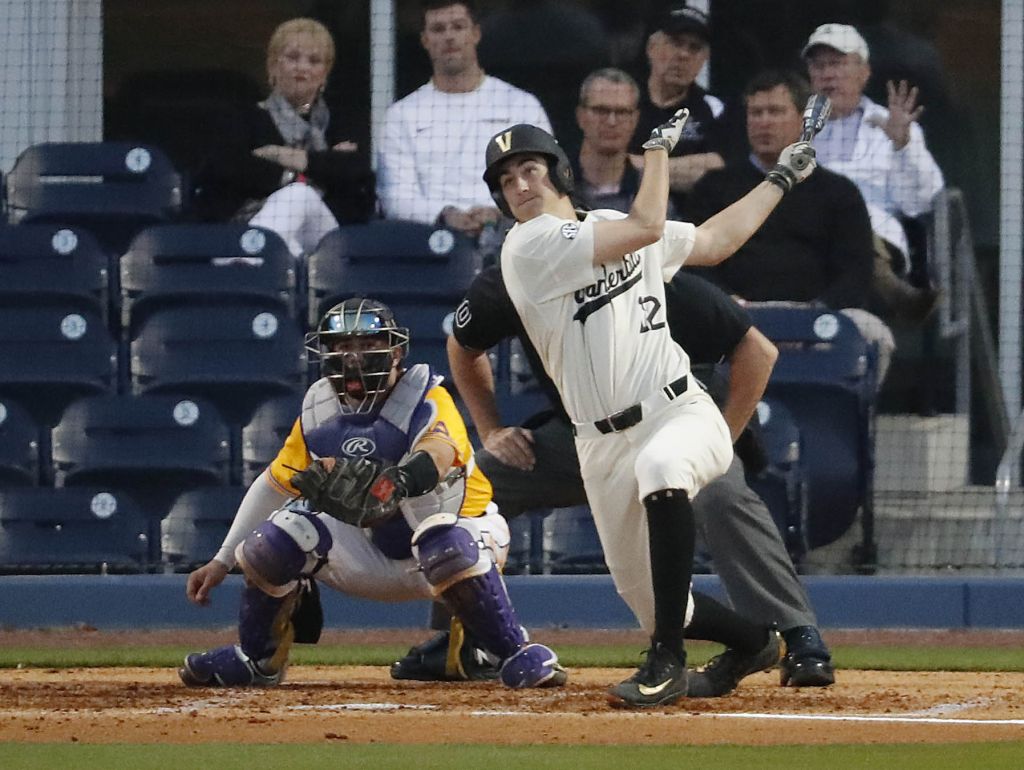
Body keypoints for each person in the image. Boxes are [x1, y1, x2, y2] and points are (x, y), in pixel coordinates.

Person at [476, 109, 817, 707]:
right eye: (507, 181)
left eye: (530, 169)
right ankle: (755, 642)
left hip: (678, 410)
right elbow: (645, 224)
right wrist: (658, 154)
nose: (521, 186)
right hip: (598, 442)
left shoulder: (612, 223)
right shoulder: (526, 247)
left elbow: (714, 242)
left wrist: (781, 179)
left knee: (663, 468)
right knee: (656, 601)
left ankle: (666, 662)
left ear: (557, 173)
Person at [391, 264, 836, 691]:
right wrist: (490, 430)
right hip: (584, 436)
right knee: (475, 482)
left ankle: (795, 635)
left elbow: (758, 351)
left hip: (674, 420)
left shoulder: (644, 270)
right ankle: (465, 641)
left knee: (720, 497)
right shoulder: (516, 277)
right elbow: (463, 345)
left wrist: (718, 439)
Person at [178, 298, 567, 691]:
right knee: (272, 540)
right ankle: (258, 659)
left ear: (396, 351)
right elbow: (274, 484)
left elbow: (439, 452)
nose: (353, 357)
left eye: (366, 344)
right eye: (343, 346)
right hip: (366, 549)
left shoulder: (426, 395)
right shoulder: (319, 408)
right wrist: (222, 560)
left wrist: (393, 483)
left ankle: (511, 651)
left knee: (443, 540)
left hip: (459, 539)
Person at [686, 69, 896, 385]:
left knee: (874, 335)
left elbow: (856, 271)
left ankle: (848, 428)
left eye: (776, 111)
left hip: (816, 314)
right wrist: (726, 301)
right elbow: (692, 260)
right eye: (756, 113)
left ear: (801, 120)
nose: (764, 122)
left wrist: (815, 312)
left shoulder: (839, 192)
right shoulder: (713, 187)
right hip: (733, 312)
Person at [190, 18, 375, 258]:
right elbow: (228, 169)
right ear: (273, 66)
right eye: (293, 57)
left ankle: (245, 264)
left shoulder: (343, 122)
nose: (302, 67)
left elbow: (357, 175)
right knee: (291, 248)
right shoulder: (245, 117)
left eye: (314, 61)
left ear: (324, 75)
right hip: (256, 225)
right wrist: (321, 165)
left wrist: (284, 155)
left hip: (327, 235)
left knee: (298, 195)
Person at [801, 23, 943, 319]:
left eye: (838, 64)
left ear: (864, 73)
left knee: (855, 234)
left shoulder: (895, 126)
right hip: (804, 234)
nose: (828, 74)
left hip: (874, 236)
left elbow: (920, 202)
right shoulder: (794, 126)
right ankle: (895, 294)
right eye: (819, 65)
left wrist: (903, 146)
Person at [376, 1, 551, 240]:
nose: (449, 36)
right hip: (429, 246)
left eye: (458, 27)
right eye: (438, 29)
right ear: (425, 40)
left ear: (475, 33)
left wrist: (501, 211)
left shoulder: (521, 105)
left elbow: (545, 178)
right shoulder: (402, 115)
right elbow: (395, 196)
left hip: (513, 237)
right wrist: (445, 214)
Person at [627, 4, 727, 211]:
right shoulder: (625, 101)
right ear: (651, 48)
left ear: (704, 59)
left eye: (694, 48)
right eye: (675, 43)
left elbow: (717, 171)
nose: (683, 55)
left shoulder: (713, 109)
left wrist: (636, 167)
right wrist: (690, 165)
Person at [572, 68, 677, 219]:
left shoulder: (653, 192)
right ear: (581, 116)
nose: (611, 121)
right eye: (601, 110)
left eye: (622, 112)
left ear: (635, 119)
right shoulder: (556, 186)